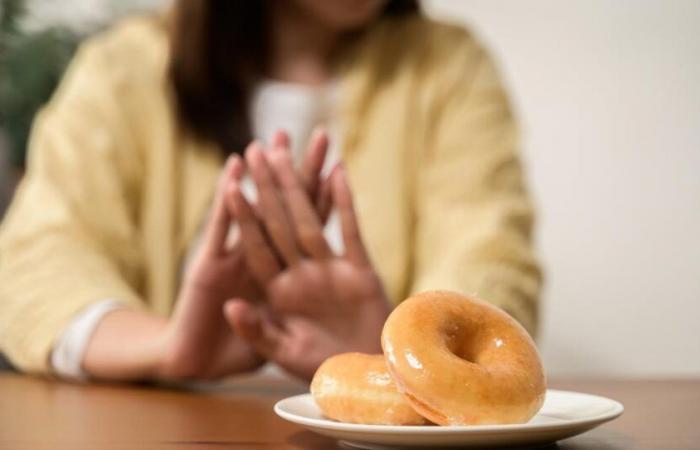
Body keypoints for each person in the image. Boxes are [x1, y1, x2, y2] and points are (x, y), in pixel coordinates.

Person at [0, 0, 541, 382]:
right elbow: (34, 258)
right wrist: (166, 347)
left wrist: (393, 353)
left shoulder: (448, 66)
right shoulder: (123, 68)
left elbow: (492, 255)